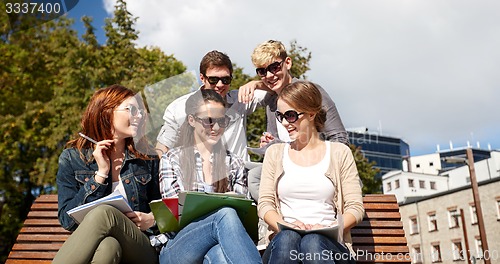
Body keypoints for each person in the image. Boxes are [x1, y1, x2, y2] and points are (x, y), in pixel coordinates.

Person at [258, 81, 364, 264]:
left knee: (312, 241)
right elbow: (265, 204)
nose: (284, 123)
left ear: (312, 114)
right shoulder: (274, 153)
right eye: (280, 116)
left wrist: (329, 227)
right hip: (283, 243)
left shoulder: (339, 153)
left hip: (331, 246)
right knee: (288, 238)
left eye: (290, 116)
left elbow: (355, 208)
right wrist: (285, 226)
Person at [53, 85, 160, 264]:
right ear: (106, 112)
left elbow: (166, 206)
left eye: (140, 111)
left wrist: (152, 219)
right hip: (106, 248)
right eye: (132, 109)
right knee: (108, 247)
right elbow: (67, 220)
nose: (139, 116)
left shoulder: (148, 158)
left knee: (105, 213)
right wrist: (100, 175)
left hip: (141, 248)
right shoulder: (72, 158)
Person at [158, 89, 262, 264]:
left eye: (221, 121)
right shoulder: (172, 159)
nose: (215, 127)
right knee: (225, 213)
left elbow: (243, 218)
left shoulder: (234, 163)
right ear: (191, 120)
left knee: (219, 257)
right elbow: (174, 217)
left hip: (220, 244)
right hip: (179, 247)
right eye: (208, 121)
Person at [239, 39, 350, 201]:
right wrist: (270, 146)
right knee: (243, 171)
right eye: (262, 72)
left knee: (256, 177)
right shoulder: (271, 101)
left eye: (274, 67)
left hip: (319, 170)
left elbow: (340, 140)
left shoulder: (311, 92)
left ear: (288, 63)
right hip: (289, 170)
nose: (269, 75)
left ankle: (280, 219)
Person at [155, 50, 272, 162]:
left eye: (225, 79)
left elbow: (277, 89)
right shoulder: (179, 107)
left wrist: (257, 84)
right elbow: (163, 147)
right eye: (213, 80)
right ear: (202, 78)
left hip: (239, 178)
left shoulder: (241, 99)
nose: (220, 85)